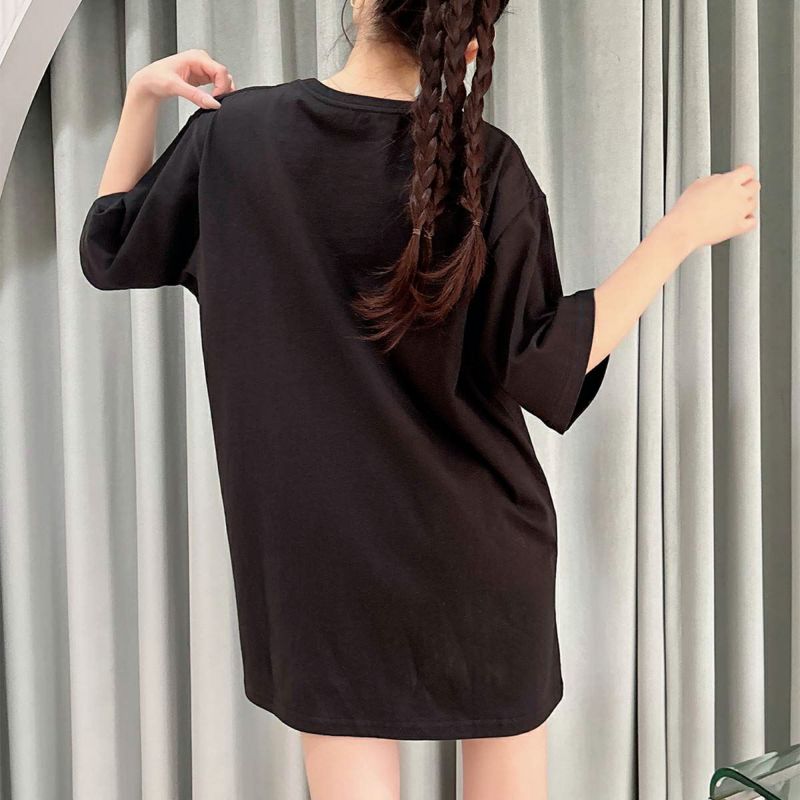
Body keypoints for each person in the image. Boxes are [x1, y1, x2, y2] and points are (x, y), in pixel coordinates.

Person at [77, 0, 760, 797]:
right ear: (470, 42)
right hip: (482, 557)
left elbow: (110, 246)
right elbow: (545, 365)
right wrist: (677, 233)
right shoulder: (486, 166)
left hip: (319, 571)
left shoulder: (234, 138)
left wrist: (142, 96)